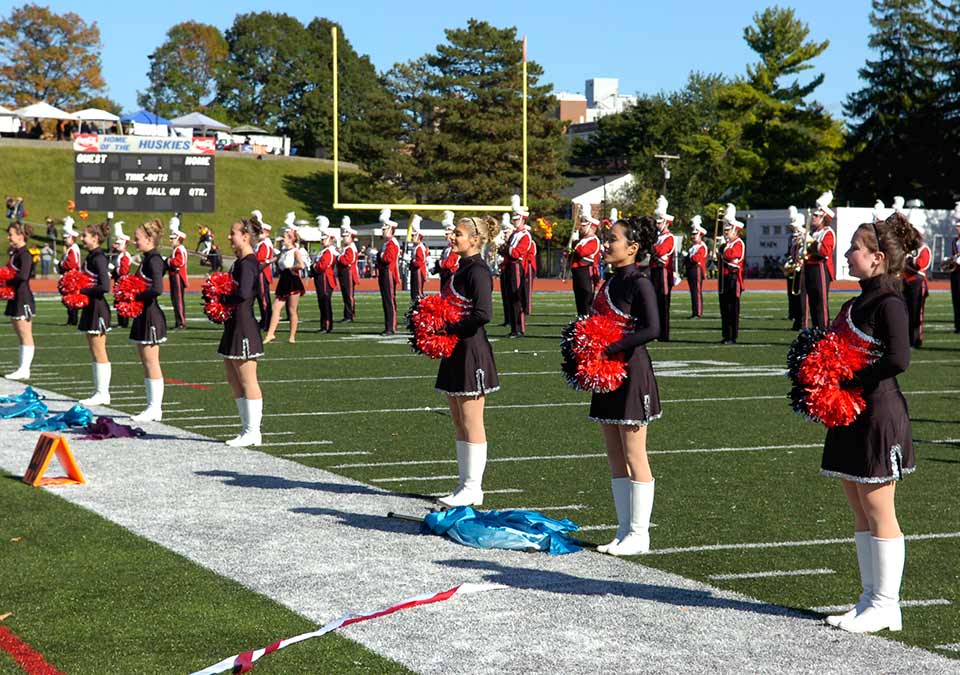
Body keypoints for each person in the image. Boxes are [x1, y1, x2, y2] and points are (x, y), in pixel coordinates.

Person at [821, 213, 919, 634]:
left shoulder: (889, 301)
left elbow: (899, 359)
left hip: (878, 412)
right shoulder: (855, 300)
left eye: (854, 248)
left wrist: (849, 378)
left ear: (877, 258)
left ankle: (886, 604)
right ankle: (868, 599)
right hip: (851, 411)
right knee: (859, 507)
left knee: (879, 509)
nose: (846, 253)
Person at [589, 216, 661, 556]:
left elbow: (651, 329)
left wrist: (610, 346)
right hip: (607, 373)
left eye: (613, 239)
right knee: (614, 452)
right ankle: (622, 529)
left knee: (635, 453)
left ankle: (639, 533)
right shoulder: (608, 281)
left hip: (631, 372)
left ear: (632, 248)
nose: (607, 243)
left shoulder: (639, 283)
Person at [435, 216, 502, 507]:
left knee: (472, 420)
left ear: (475, 240)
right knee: (459, 421)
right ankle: (464, 484)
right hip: (455, 349)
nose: (452, 237)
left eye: (458, 234)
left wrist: (449, 328)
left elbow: (483, 314)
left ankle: (474, 487)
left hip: (471, 350)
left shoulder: (478, 271)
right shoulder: (459, 268)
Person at [220, 218, 265, 447]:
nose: (229, 237)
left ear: (245, 236)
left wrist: (222, 297)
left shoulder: (248, 263)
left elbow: (245, 293)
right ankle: (245, 429)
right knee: (233, 378)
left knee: (248, 380)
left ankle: (253, 431)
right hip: (233, 324)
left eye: (232, 233)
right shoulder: (239, 262)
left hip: (244, 325)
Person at [129, 219, 168, 422]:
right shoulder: (147, 258)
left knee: (151, 362)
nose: (134, 242)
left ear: (149, 239)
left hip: (151, 315)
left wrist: (135, 295)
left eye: (137, 239)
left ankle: (155, 408)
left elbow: (157, 289)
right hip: (143, 314)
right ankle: (152, 406)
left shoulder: (154, 259)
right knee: (146, 362)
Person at [76, 221, 113, 405]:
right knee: (94, 350)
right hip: (90, 307)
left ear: (95, 238)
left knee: (99, 351)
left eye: (85, 236)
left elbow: (105, 287)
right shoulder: (91, 256)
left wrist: (81, 291)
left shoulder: (99, 258)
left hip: (98, 308)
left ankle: (102, 393)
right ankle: (99, 391)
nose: (82, 238)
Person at [264, 223, 308, 343]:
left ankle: (292, 336)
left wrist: (291, 268)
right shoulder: (283, 251)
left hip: (292, 280)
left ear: (292, 239)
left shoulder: (295, 251)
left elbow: (301, 265)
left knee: (292, 310)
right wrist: (265, 263)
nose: (283, 239)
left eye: (285, 237)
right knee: (275, 307)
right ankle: (270, 334)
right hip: (283, 280)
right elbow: (275, 258)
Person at [4, 222, 36, 380]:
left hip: (23, 297)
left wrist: (6, 282)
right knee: (20, 333)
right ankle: (22, 367)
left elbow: (23, 276)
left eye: (11, 234)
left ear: (20, 236)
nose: (8, 237)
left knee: (25, 333)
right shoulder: (15, 253)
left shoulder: (25, 254)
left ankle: (25, 369)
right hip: (15, 296)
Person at [802, 191, 836, 330]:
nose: (813, 217)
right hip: (810, 267)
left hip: (820, 268)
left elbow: (825, 251)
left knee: (820, 302)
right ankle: (816, 330)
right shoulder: (814, 233)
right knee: (813, 301)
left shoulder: (828, 232)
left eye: (817, 216)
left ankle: (823, 330)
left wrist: (812, 242)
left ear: (824, 218)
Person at [902, 208, 931, 348]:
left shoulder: (923, 249)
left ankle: (917, 339)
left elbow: (919, 267)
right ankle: (908, 339)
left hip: (917, 283)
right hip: (906, 282)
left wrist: (906, 263)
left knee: (916, 313)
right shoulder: (908, 248)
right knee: (906, 312)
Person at [650, 195, 676, 341]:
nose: (658, 225)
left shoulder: (669, 237)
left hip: (664, 273)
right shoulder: (658, 238)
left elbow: (661, 251)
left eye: (660, 222)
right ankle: (656, 331)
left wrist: (654, 248)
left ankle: (664, 334)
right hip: (655, 271)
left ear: (666, 222)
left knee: (663, 304)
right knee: (655, 303)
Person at [719, 204, 745, 344]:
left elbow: (732, 255)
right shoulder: (726, 244)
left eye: (728, 231)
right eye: (725, 230)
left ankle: (732, 335)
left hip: (733, 278)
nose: (726, 233)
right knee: (724, 307)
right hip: (724, 277)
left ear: (735, 231)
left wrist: (723, 252)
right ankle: (725, 334)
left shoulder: (738, 243)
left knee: (732, 308)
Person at [505, 195, 531, 337]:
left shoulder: (525, 236)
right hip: (510, 266)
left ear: (522, 219)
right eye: (513, 219)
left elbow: (517, 253)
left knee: (517, 298)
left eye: (516, 219)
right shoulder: (515, 235)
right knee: (510, 297)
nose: (514, 221)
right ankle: (514, 328)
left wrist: (507, 250)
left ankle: (519, 328)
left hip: (517, 267)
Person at [570, 210, 601, 316]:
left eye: (584, 225)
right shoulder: (582, 240)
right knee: (579, 301)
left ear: (592, 226)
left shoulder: (593, 240)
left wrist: (574, 243)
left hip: (586, 272)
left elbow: (582, 252)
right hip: (577, 272)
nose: (581, 227)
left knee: (586, 299)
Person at [376, 209, 401, 335]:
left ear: (391, 229)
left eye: (385, 229)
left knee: (389, 300)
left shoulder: (392, 243)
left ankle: (391, 327)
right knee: (386, 300)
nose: (383, 231)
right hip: (385, 273)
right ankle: (389, 326)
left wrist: (380, 255)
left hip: (389, 273)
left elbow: (387, 258)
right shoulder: (387, 243)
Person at [310, 222, 338, 335]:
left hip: (325, 279)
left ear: (330, 239)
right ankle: (324, 325)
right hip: (321, 278)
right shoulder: (324, 251)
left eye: (324, 238)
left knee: (325, 302)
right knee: (322, 303)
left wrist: (314, 266)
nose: (322, 241)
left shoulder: (329, 251)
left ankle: (326, 325)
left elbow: (323, 265)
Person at [252, 209, 275, 331]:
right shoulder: (260, 244)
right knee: (260, 298)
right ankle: (264, 320)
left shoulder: (265, 244)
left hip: (262, 273)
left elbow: (261, 258)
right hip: (258, 272)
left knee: (263, 298)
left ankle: (266, 321)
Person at [785, 207, 806, 329]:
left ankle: (801, 321)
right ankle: (796, 319)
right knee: (794, 296)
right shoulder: (793, 238)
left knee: (801, 296)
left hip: (802, 269)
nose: (794, 229)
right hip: (794, 268)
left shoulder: (804, 237)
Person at [684, 215, 708, 318]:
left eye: (695, 234)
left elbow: (696, 259)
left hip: (697, 269)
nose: (693, 236)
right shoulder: (693, 246)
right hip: (691, 269)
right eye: (692, 234)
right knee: (693, 292)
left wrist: (689, 256)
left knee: (697, 291)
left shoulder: (702, 246)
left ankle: (698, 312)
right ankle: (694, 312)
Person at [59, 217, 81, 326]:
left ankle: (73, 320)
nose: (64, 239)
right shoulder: (70, 248)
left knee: (72, 299)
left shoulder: (73, 248)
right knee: (69, 299)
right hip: (69, 276)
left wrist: (61, 264)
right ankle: (71, 319)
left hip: (72, 277)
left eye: (66, 237)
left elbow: (72, 263)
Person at [336, 216, 359, 322]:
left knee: (349, 295)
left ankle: (349, 315)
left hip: (348, 273)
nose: (344, 238)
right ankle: (347, 314)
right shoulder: (347, 248)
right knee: (346, 294)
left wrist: (339, 256)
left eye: (346, 236)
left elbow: (347, 260)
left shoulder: (351, 248)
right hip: (344, 273)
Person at [167, 217, 188, 329]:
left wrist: (168, 261)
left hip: (178, 276)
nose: (170, 240)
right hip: (174, 276)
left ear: (178, 239)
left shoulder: (180, 249)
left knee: (178, 300)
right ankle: (178, 321)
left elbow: (180, 262)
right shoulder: (176, 249)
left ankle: (181, 322)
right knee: (175, 300)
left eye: (172, 238)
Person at [497, 214, 513, 326]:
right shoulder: (505, 244)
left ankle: (512, 320)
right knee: (505, 297)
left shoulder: (511, 244)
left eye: (506, 233)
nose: (504, 235)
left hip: (510, 270)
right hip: (504, 270)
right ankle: (507, 319)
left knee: (511, 297)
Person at [438, 211, 460, 291]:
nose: (445, 236)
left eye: (448, 234)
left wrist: (439, 263)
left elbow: (449, 264)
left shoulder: (455, 247)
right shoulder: (447, 247)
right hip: (446, 274)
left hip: (452, 274)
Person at [408, 215, 428, 302]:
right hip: (415, 272)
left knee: (418, 293)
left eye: (413, 236)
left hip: (419, 272)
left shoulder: (420, 248)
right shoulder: (416, 247)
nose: (412, 238)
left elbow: (419, 262)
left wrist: (412, 261)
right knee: (414, 293)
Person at [948, 204, 960, 334]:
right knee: (955, 299)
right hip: (956, 272)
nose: (957, 228)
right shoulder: (954, 241)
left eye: (958, 226)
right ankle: (957, 325)